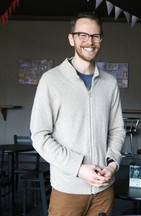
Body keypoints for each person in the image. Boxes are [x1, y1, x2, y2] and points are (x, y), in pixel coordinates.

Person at [30, 12, 126, 216]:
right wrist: (79, 168)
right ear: (71, 38)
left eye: (95, 36)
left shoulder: (109, 82)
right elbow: (40, 136)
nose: (89, 42)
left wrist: (112, 165)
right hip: (68, 189)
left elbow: (117, 129)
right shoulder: (51, 80)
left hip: (104, 189)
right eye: (82, 35)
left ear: (100, 39)